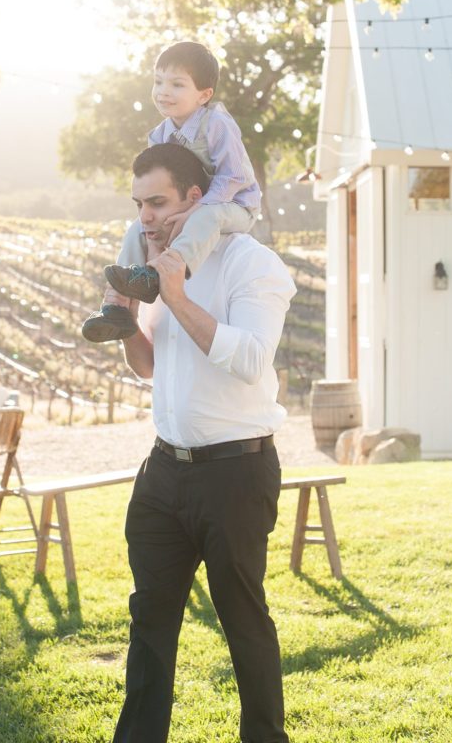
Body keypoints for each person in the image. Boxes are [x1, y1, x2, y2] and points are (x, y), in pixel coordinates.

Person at [108, 142, 296, 743]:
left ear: (196, 198)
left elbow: (248, 359)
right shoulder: (154, 263)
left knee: (243, 619)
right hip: (163, 472)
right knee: (150, 621)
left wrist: (176, 296)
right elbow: (151, 367)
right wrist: (126, 321)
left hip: (235, 473)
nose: (145, 219)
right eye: (139, 204)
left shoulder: (253, 265)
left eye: (157, 203)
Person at [82, 40, 261, 343]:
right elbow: (158, 183)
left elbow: (234, 176)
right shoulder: (160, 134)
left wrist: (195, 208)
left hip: (235, 206)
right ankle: (116, 307)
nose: (164, 91)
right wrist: (156, 228)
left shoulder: (216, 123)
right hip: (192, 202)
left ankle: (164, 271)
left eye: (177, 84)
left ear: (204, 95)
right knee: (137, 228)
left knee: (209, 216)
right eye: (158, 81)